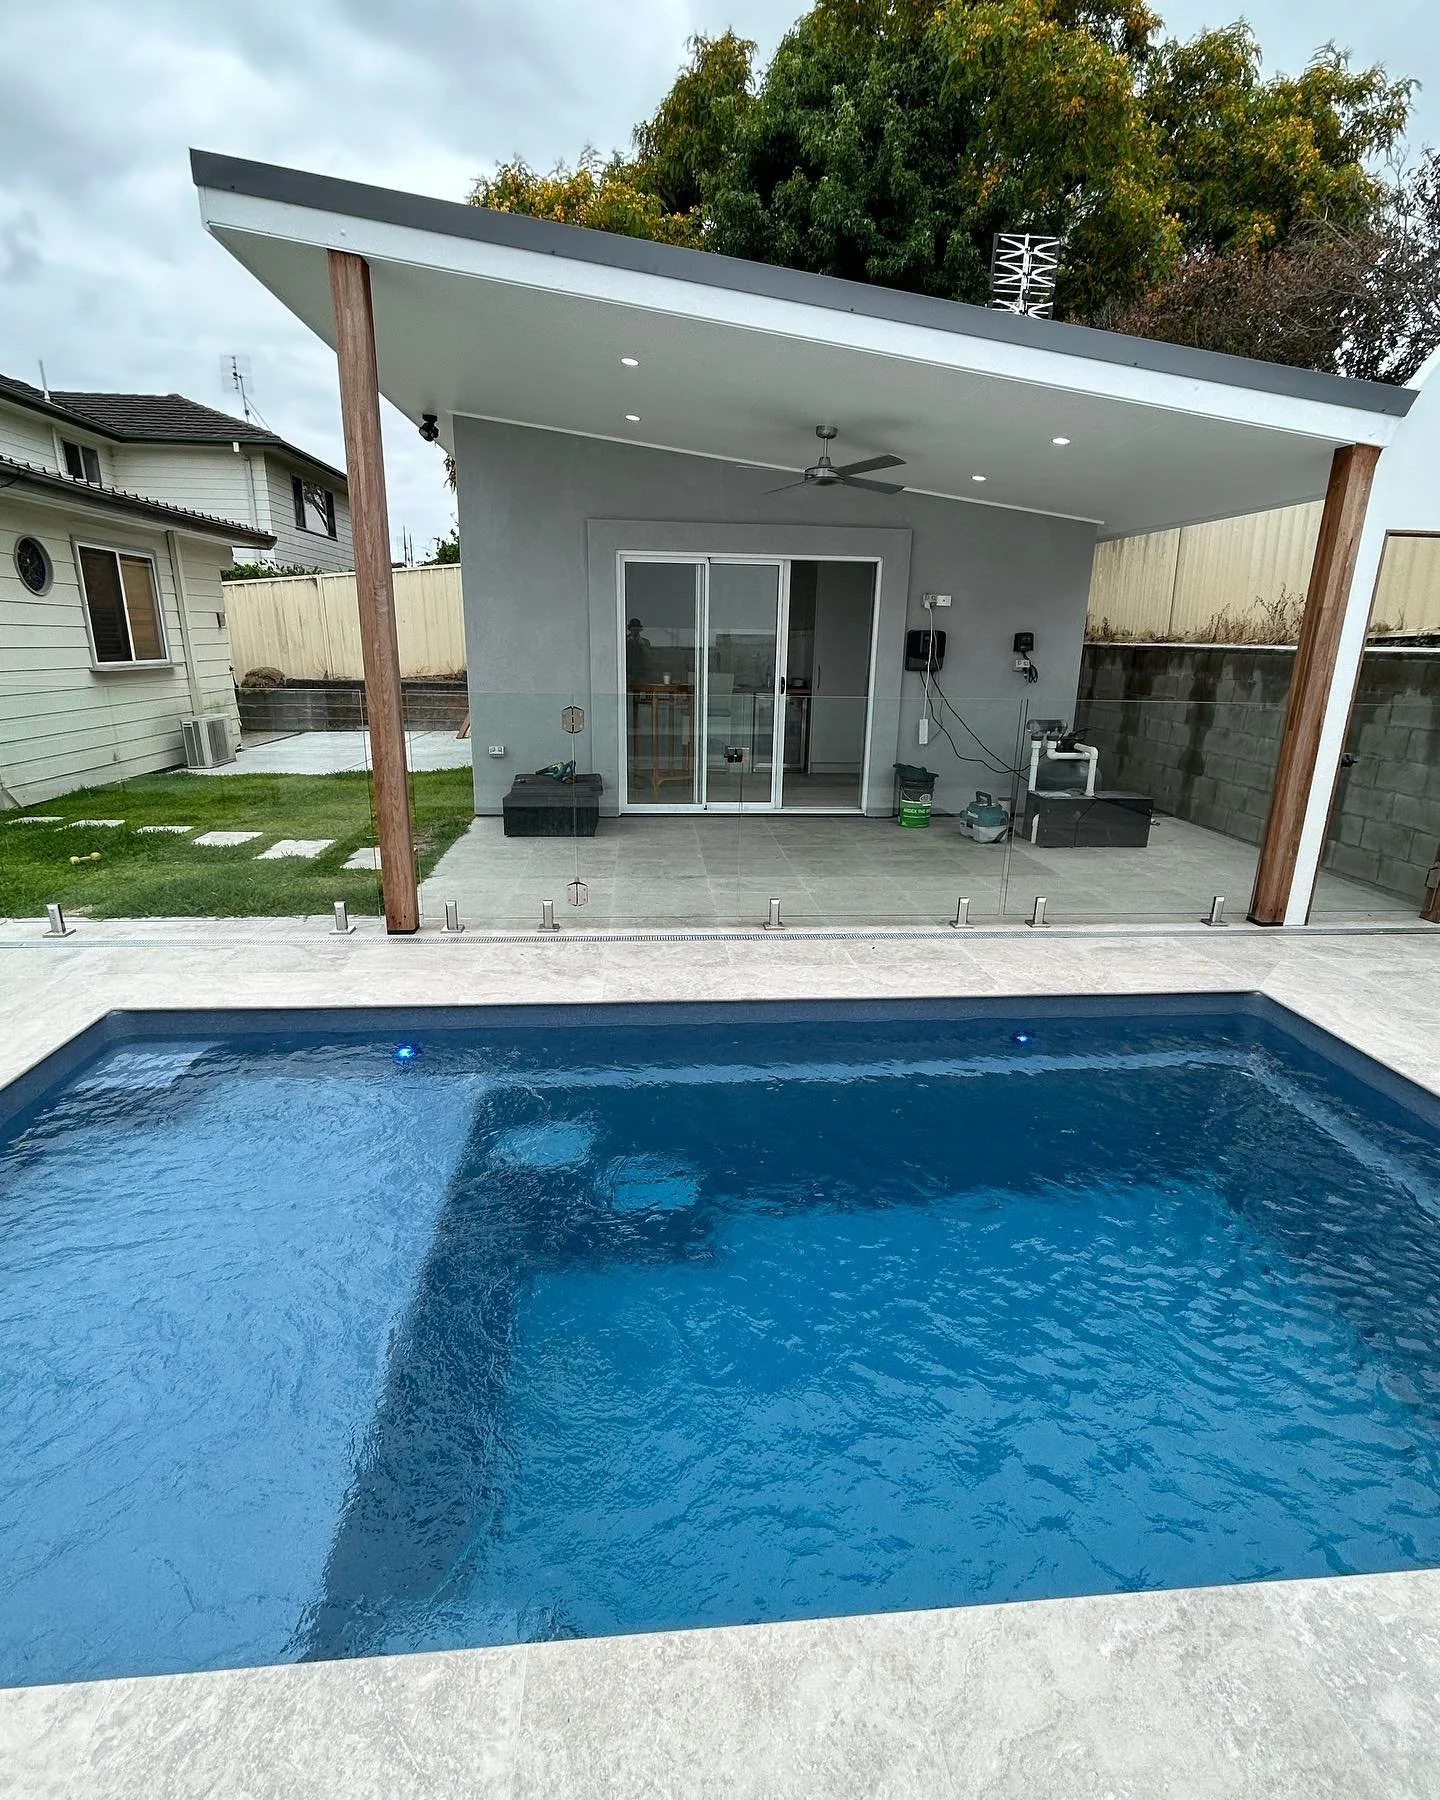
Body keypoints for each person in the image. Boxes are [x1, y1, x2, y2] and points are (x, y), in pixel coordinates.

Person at [626, 617, 653, 685]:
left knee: (642, 688)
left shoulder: (644, 641)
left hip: (641, 671)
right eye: (633, 629)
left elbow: (649, 656)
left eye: (637, 629)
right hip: (628, 671)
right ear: (630, 629)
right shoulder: (624, 641)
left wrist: (642, 644)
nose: (635, 631)